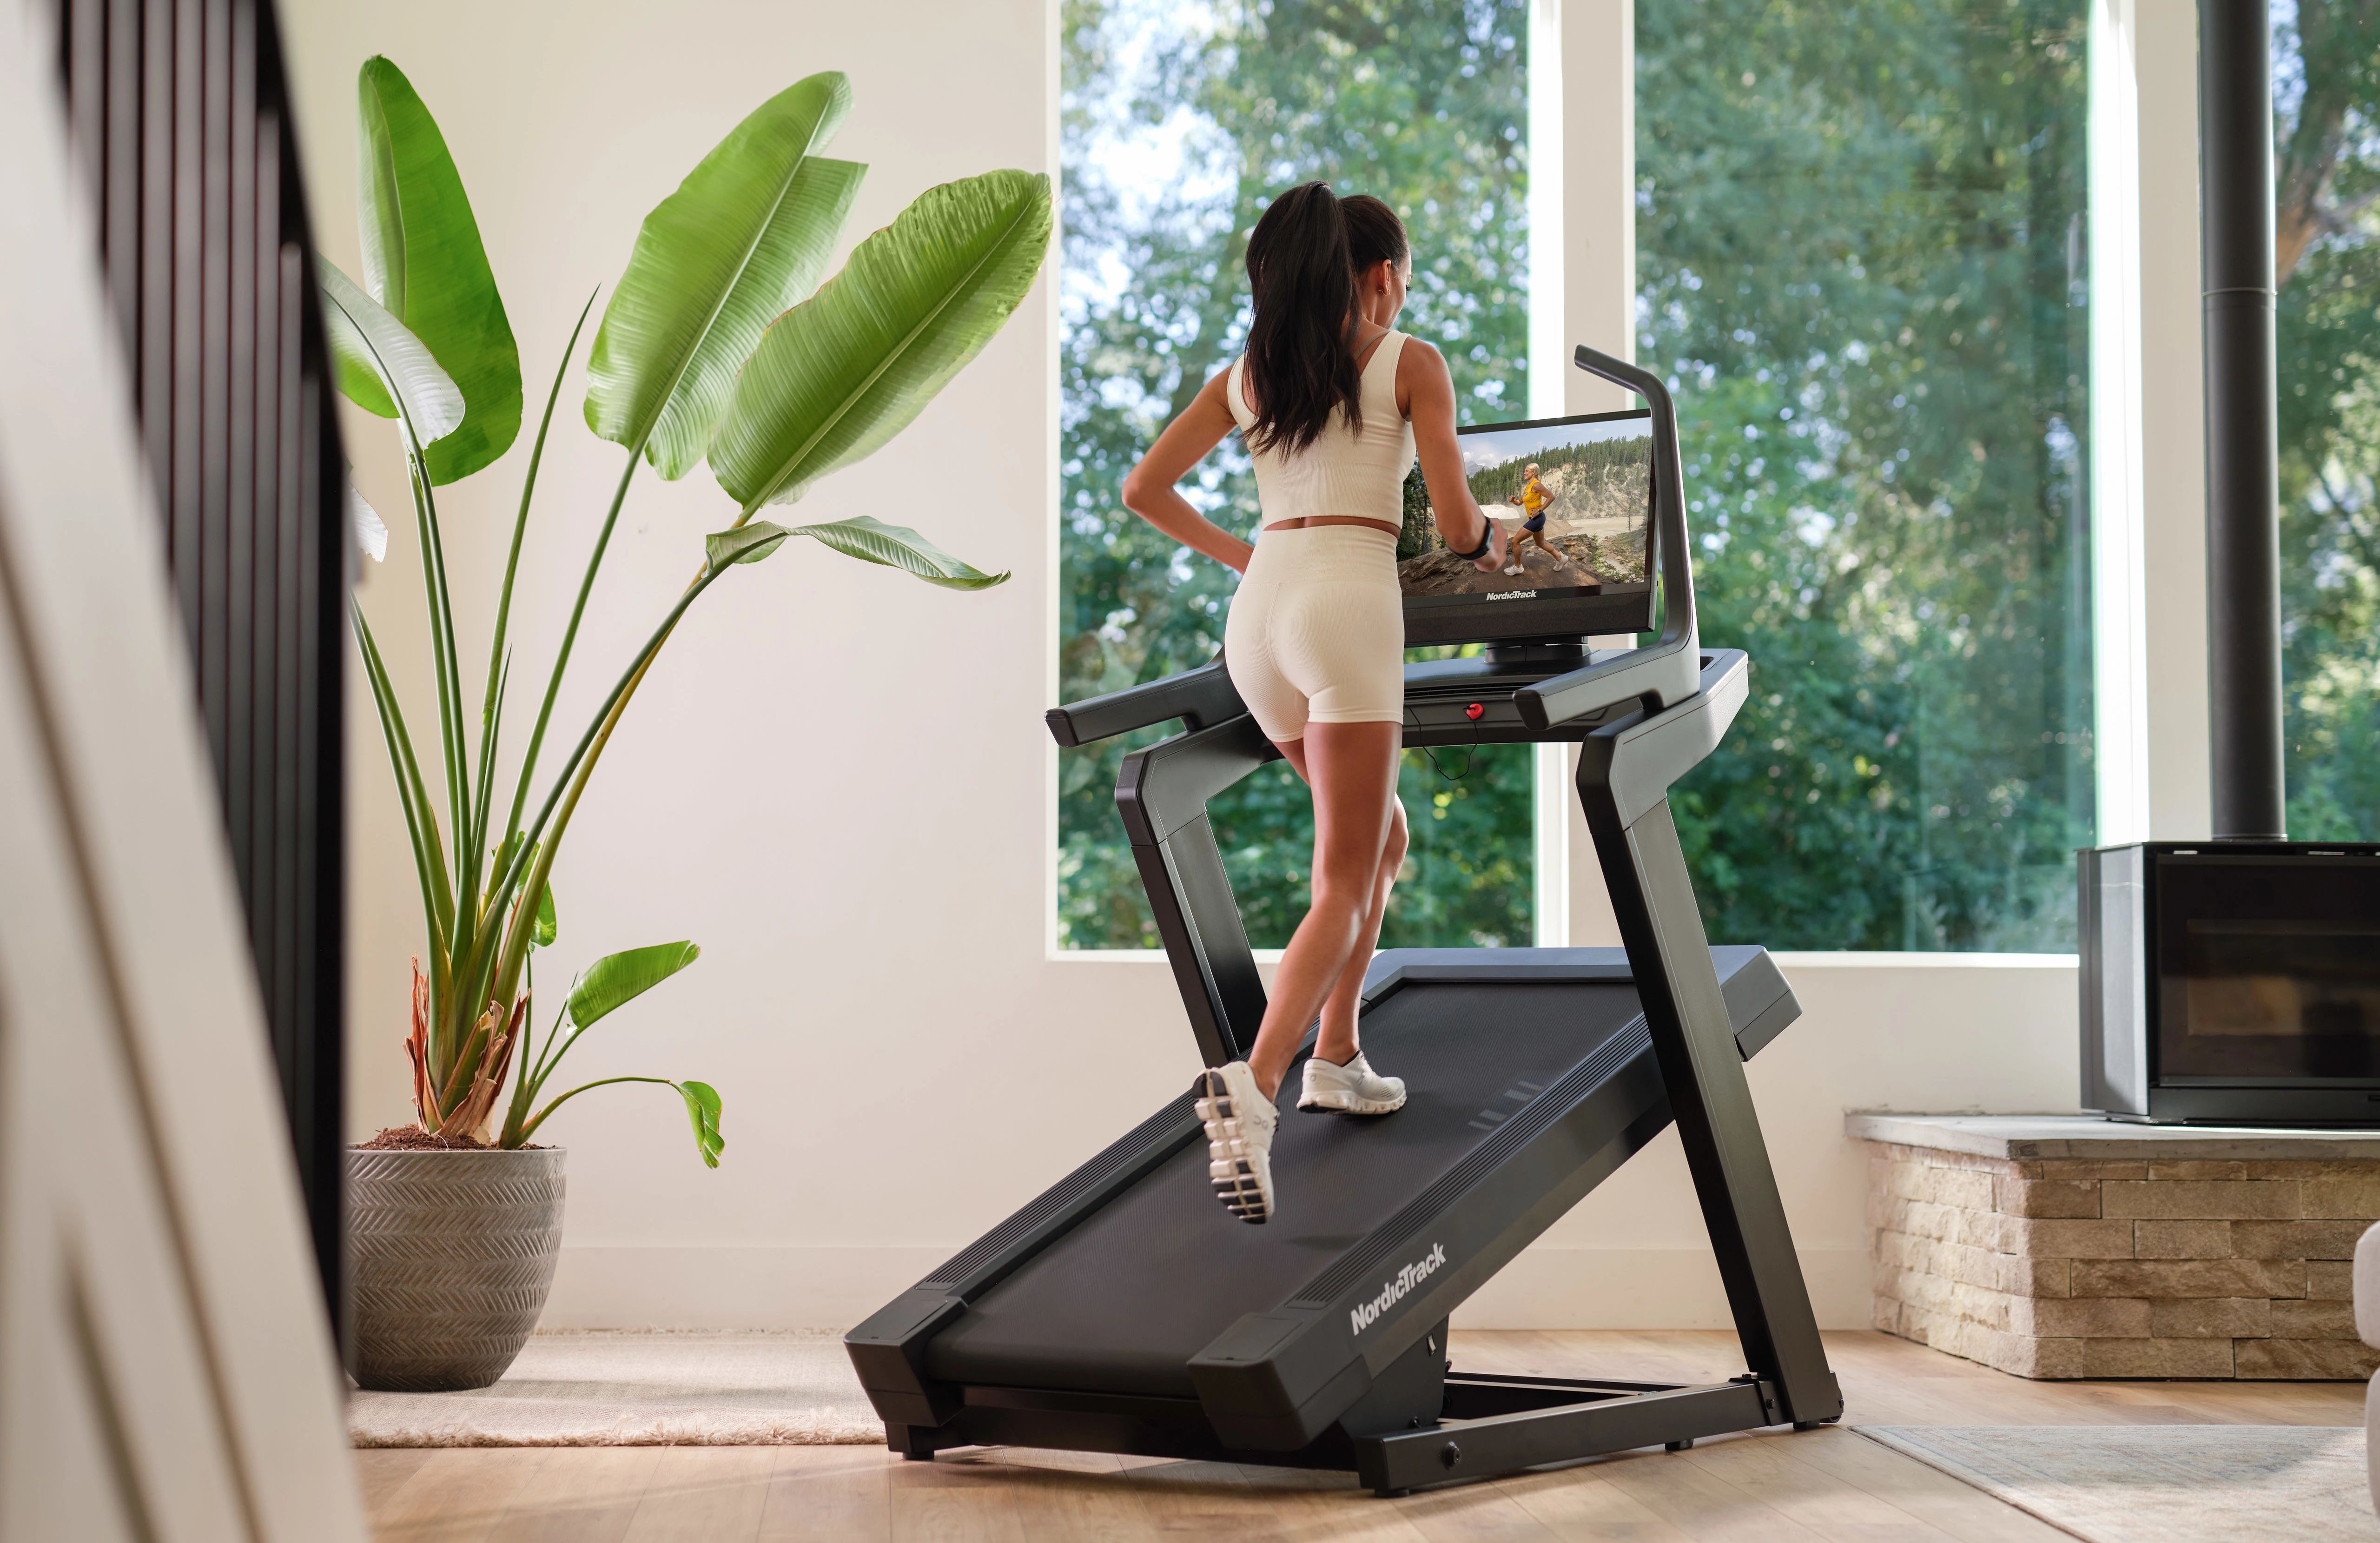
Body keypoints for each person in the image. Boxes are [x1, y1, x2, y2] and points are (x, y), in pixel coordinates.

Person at [1118, 183, 1507, 1224]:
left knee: (1381, 838)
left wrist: (1248, 559)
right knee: (1344, 873)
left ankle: (1338, 1054)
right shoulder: (1410, 360)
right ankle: (1254, 1088)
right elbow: (1457, 524)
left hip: (1259, 619)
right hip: (1346, 604)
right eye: (1403, 280)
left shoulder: (1248, 375)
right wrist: (1496, 542)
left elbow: (1143, 490)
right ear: (1380, 277)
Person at [1502, 463, 1561, 575]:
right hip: (1535, 518)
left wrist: (1540, 510)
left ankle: (1518, 567)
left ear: (1534, 472)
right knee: (1541, 543)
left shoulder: (1536, 485)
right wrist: (1514, 501)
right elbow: (1520, 502)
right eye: (1525, 471)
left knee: (1515, 541)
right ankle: (1560, 558)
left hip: (1538, 518)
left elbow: (1551, 497)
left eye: (1527, 471)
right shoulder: (1528, 487)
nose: (1524, 473)